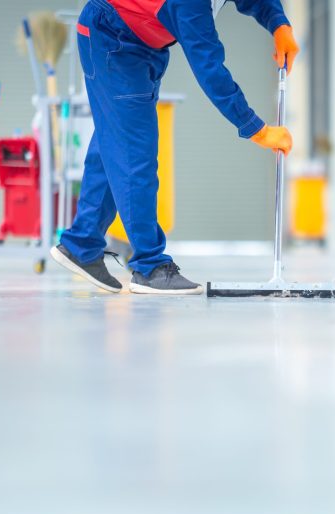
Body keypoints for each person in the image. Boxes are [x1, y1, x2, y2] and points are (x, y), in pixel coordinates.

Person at [50, 0, 299, 295]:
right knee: (135, 154)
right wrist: (258, 129)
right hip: (112, 38)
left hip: (141, 45)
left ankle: (82, 243)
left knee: (116, 144)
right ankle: (149, 266)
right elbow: (210, 69)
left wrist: (279, 23)